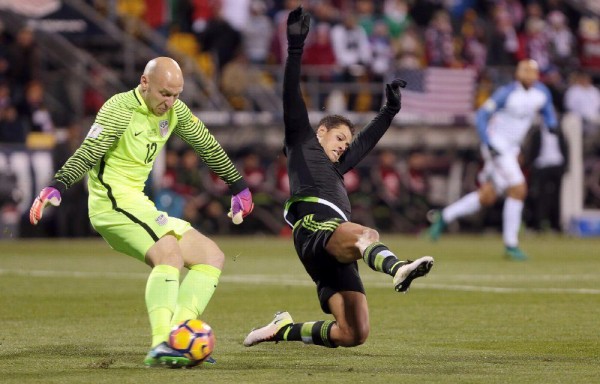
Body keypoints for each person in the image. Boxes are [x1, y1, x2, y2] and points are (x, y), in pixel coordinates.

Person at [29, 57, 254, 367]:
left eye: (177, 95)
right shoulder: (119, 109)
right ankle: (162, 343)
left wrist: (237, 185)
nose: (170, 102)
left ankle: (181, 337)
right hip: (111, 204)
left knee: (210, 257)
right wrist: (57, 184)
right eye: (165, 94)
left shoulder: (175, 110)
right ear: (144, 82)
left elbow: (206, 144)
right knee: (169, 255)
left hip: (138, 203)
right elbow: (89, 151)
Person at [243, 7, 433, 350]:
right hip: (317, 227)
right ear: (321, 132)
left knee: (353, 333)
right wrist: (295, 48)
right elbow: (291, 97)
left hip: (335, 245)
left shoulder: (337, 168)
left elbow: (367, 141)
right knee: (367, 233)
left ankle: (281, 330)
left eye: (347, 142)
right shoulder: (301, 142)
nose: (344, 147)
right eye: (339, 138)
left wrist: (389, 110)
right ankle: (398, 269)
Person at [428, 59, 558, 260]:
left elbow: (548, 110)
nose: (529, 77)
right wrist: (488, 142)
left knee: (487, 195)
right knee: (518, 188)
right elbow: (481, 116)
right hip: (497, 145)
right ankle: (511, 244)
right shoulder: (506, 93)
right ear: (519, 73)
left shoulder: (541, 93)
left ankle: (444, 217)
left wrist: (552, 124)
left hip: (511, 149)